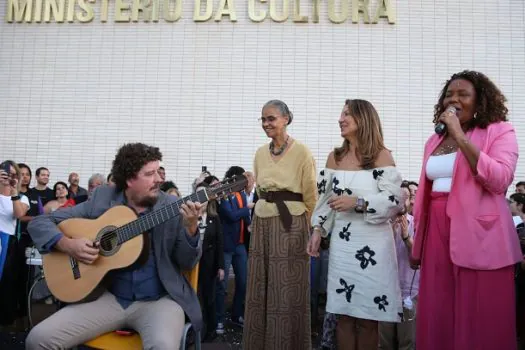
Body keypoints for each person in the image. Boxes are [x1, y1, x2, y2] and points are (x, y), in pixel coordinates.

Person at [25, 143, 204, 349]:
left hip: (159, 301)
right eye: (150, 174)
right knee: (38, 339)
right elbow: (40, 222)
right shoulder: (102, 198)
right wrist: (68, 245)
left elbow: (187, 261)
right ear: (129, 179)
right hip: (107, 298)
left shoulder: (171, 207)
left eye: (159, 172)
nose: (159, 179)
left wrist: (190, 228)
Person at [412, 70, 521, 350]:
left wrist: (461, 137)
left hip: (480, 233)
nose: (454, 99)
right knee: (439, 310)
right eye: (449, 94)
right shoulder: (433, 141)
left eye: (463, 94)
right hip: (437, 232)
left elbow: (499, 179)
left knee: (479, 314)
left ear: (480, 100)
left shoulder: (500, 131)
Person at [307, 99, 404, 350]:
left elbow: (394, 201)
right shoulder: (334, 157)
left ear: (364, 119)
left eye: (347, 114)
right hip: (343, 248)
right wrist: (318, 229)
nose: (341, 118)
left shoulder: (381, 156)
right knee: (343, 314)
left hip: (375, 246)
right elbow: (325, 200)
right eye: (341, 113)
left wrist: (358, 202)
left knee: (368, 319)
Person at [243, 100, 317, 350]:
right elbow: (259, 192)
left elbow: (311, 197)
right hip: (262, 223)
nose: (266, 124)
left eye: (271, 118)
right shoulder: (260, 154)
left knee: (286, 291)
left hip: (291, 226)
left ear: (286, 119)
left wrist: (312, 231)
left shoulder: (303, 152)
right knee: (259, 287)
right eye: (263, 119)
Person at [378, 182, 419, 350]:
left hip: (410, 291)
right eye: (397, 198)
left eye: (406, 198)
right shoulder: (381, 224)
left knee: (407, 343)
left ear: (410, 201)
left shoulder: (416, 223)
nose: (401, 202)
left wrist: (405, 237)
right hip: (385, 291)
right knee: (384, 343)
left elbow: (418, 257)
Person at [216, 166, 252, 334]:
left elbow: (243, 216)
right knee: (222, 285)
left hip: (240, 245)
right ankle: (219, 319)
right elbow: (230, 215)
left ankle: (236, 315)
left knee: (243, 282)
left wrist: (250, 223)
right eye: (241, 177)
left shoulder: (242, 195)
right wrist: (248, 208)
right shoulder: (224, 195)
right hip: (227, 246)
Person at [0, 160, 30, 326]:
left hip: (7, 242)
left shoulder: (21, 197)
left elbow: (18, 214)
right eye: (6, 173)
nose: (9, 177)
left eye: (13, 174)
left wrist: (13, 191)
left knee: (6, 281)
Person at [194, 182, 224, 342]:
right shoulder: (188, 217)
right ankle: (192, 331)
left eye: (204, 195)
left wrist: (221, 266)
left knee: (208, 298)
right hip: (191, 263)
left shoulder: (214, 217)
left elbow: (220, 242)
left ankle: (210, 329)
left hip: (209, 264)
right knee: (191, 297)